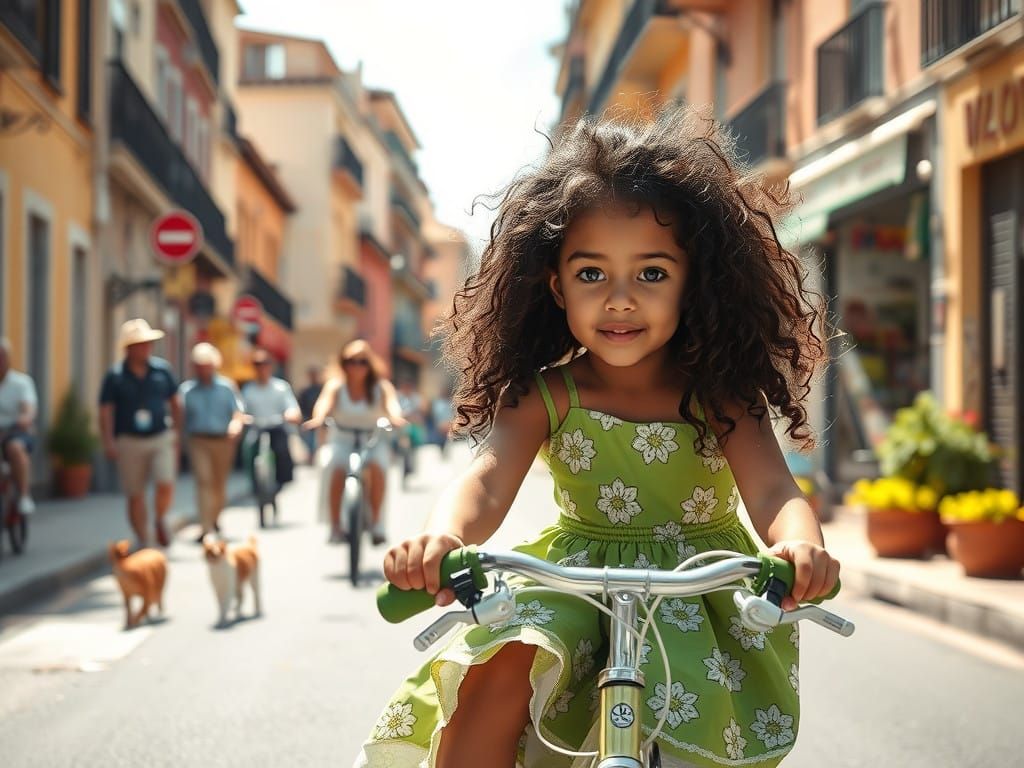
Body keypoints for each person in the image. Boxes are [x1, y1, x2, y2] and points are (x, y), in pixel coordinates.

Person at [357, 105, 840, 768]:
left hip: (699, 597)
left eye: (651, 274)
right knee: (495, 672)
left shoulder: (721, 392)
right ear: (555, 285)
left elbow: (771, 487)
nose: (619, 299)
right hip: (574, 585)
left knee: (695, 735)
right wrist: (445, 538)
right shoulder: (543, 392)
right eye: (591, 274)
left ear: (693, 283)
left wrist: (799, 546)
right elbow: (486, 478)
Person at [304, 339, 405, 545]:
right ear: (343, 363)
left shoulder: (381, 387)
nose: (356, 366)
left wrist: (396, 418)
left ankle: (377, 523)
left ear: (370, 364)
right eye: (351, 361)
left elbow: (392, 405)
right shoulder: (336, 386)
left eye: (362, 361)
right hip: (341, 440)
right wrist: (319, 418)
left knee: (380, 467)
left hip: (372, 441)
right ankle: (334, 527)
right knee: (332, 466)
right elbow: (324, 404)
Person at [99, 319, 181, 548]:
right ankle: (143, 539)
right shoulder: (115, 376)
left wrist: (175, 432)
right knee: (135, 494)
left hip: (159, 436)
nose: (146, 348)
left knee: (166, 482)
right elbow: (105, 411)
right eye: (140, 344)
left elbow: (175, 402)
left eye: (148, 343)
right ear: (128, 348)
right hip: (128, 439)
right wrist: (108, 442)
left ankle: (159, 518)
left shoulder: (162, 370)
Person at [178, 343, 245, 542]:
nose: (202, 369)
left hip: (223, 441)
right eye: (198, 365)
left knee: (219, 485)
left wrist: (235, 425)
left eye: (206, 364)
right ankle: (206, 527)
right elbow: (179, 415)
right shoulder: (187, 390)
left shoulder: (227, 387)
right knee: (204, 481)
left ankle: (214, 519)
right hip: (198, 440)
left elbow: (238, 411)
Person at [241, 348, 301, 496]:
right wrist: (242, 418)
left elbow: (291, 406)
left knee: (281, 449)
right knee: (248, 448)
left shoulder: (281, 387)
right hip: (257, 427)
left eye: (265, 363)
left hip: (276, 426)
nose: (261, 367)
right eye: (257, 364)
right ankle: (254, 484)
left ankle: (281, 481)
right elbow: (240, 409)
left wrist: (291, 414)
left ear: (271, 366)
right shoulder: (248, 389)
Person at [0, 338, 38, 515]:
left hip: (15, 431)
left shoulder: (21, 383)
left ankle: (24, 496)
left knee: (15, 448)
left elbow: (28, 408)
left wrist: (25, 418)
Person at [297, 365, 324, 464]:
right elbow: (300, 406)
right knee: (309, 442)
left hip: (320, 421)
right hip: (308, 419)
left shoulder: (322, 389)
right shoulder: (305, 391)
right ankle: (311, 457)